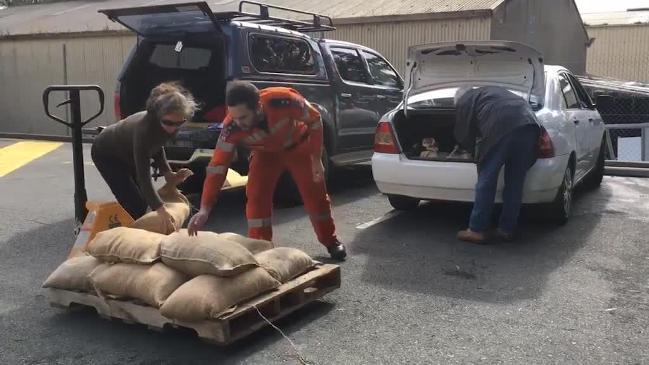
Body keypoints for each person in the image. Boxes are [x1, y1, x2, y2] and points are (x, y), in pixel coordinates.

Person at [187, 81, 346, 260]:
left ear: (258, 107)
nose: (238, 123)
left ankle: (331, 241)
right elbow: (217, 167)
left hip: (299, 148)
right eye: (234, 117)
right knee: (256, 196)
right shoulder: (231, 127)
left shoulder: (285, 100)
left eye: (243, 117)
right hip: (265, 154)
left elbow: (315, 120)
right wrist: (205, 209)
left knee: (315, 196)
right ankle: (260, 247)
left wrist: (316, 158)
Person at [91, 82, 196, 230]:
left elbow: (157, 146)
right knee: (134, 203)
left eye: (180, 123)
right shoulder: (144, 130)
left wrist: (168, 174)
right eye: (169, 123)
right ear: (158, 115)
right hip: (106, 153)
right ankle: (129, 238)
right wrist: (161, 209)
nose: (174, 128)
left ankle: (140, 231)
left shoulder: (168, 124)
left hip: (127, 152)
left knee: (143, 200)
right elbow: (144, 178)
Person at [454, 86, 541, 243]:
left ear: (459, 100)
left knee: (486, 178)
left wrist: (472, 153)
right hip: (530, 125)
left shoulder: (465, 100)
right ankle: (506, 229)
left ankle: (477, 229)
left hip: (503, 125)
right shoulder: (490, 93)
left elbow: (464, 131)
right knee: (515, 181)